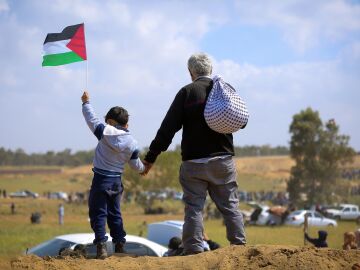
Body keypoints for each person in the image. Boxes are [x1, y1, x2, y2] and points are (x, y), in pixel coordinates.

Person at [142, 53, 246, 255]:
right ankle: (239, 248)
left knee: (194, 208)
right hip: (222, 161)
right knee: (230, 205)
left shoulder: (187, 92)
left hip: (194, 164)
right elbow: (242, 121)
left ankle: (193, 251)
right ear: (211, 70)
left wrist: (150, 157)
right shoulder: (225, 90)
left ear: (191, 72)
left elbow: (168, 129)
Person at [81, 91, 145, 259]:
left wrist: (86, 102)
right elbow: (135, 164)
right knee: (115, 213)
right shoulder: (132, 142)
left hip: (101, 180)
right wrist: (143, 169)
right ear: (127, 123)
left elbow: (91, 119)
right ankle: (119, 246)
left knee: (98, 213)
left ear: (110, 121)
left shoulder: (104, 132)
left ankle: (101, 247)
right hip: (116, 182)